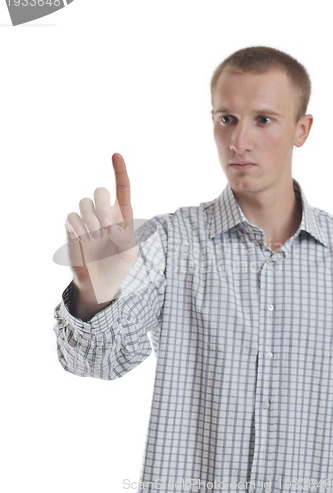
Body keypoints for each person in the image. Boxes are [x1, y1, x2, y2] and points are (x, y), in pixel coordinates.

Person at [54, 46, 333, 492]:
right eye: (227, 119)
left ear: (302, 130)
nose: (239, 141)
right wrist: (96, 295)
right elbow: (98, 362)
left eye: (263, 119)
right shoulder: (169, 242)